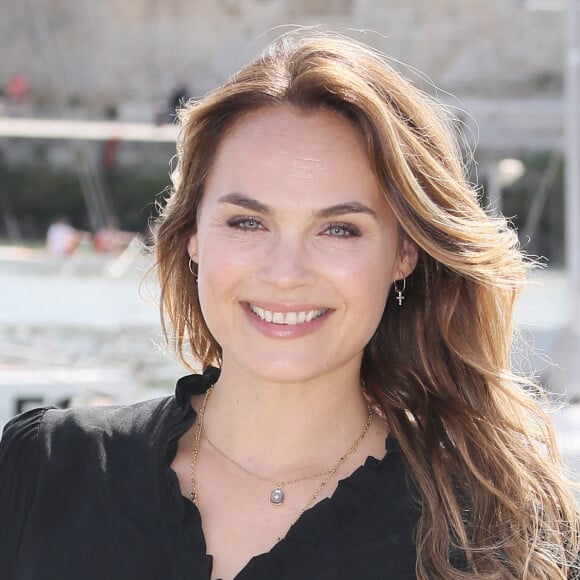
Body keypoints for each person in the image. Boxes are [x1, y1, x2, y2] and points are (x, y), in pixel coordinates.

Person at [1, 28, 579, 580]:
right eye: (248, 221)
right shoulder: (45, 470)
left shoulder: (502, 537)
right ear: (192, 235)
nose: (286, 273)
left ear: (405, 252)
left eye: (339, 230)